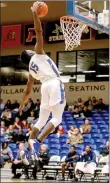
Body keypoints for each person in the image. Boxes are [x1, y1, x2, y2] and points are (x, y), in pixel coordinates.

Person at [19, 1, 66, 158]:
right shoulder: (38, 53)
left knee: (40, 121)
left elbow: (27, 91)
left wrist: (22, 105)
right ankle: (37, 143)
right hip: (53, 82)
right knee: (57, 118)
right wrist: (34, 12)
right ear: (30, 54)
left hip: (44, 87)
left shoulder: (31, 70)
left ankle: (29, 149)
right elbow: (38, 31)